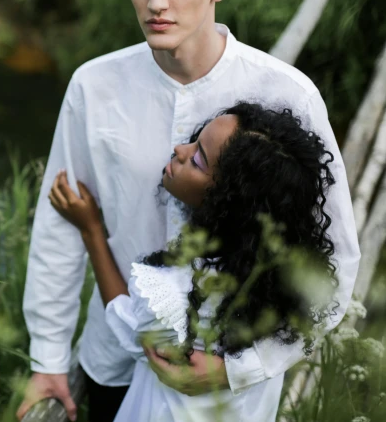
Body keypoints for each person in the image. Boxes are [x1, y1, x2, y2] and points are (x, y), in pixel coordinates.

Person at [16, 0, 360, 421]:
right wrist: (48, 360)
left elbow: (335, 260)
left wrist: (239, 368)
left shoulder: (287, 95)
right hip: (113, 357)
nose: (156, 1)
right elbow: (60, 224)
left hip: (234, 386)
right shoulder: (94, 86)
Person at [48, 102, 338, 421]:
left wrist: (91, 230)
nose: (179, 149)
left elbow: (126, 321)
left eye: (197, 159)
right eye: (195, 138)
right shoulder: (271, 292)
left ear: (228, 199)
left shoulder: (179, 297)